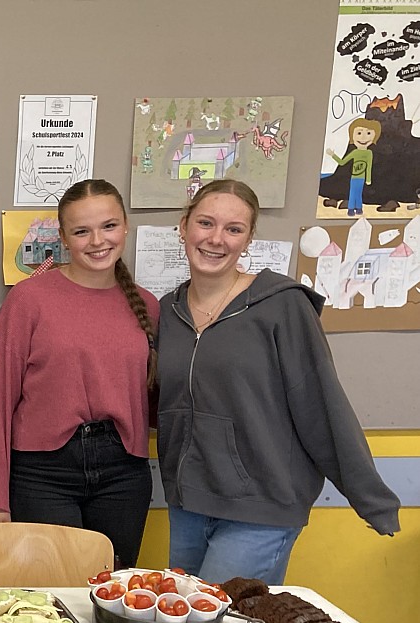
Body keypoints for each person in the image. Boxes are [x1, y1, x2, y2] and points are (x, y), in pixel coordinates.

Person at [158, 179, 399, 584]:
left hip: (262, 506)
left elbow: (321, 403)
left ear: (248, 239)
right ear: (183, 227)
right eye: (205, 223)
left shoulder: (282, 305)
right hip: (190, 503)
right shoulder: (169, 311)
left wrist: (371, 499)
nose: (216, 239)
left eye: (234, 229)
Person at [0, 179, 159, 567]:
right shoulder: (28, 299)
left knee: (112, 598)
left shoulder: (147, 306)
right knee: (52, 600)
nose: (97, 240)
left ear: (125, 226)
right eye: (81, 231)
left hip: (123, 473)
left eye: (109, 226)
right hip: (43, 474)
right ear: (63, 237)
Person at [327, 117, 381, 216]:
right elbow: (342, 162)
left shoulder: (369, 153)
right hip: (354, 177)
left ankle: (359, 208)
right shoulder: (355, 152)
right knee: (353, 193)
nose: (363, 138)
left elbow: (369, 167)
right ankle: (351, 209)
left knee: (358, 194)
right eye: (359, 133)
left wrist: (368, 179)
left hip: (361, 178)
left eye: (368, 133)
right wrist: (333, 155)